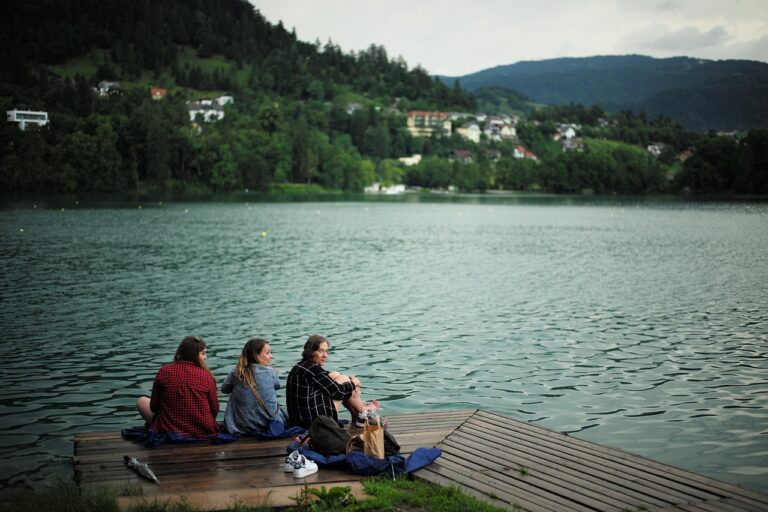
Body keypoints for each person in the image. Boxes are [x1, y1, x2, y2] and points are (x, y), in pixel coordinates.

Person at [136, 336, 219, 438]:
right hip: (203, 430)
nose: (206, 357)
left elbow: (154, 407)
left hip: (169, 429)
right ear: (193, 355)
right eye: (203, 353)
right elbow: (214, 409)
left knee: (141, 401)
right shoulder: (206, 376)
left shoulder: (164, 370)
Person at [286, 334, 369, 428]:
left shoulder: (300, 366)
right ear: (311, 352)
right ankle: (362, 411)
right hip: (315, 424)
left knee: (335, 375)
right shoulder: (315, 371)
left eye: (326, 351)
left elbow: (326, 377)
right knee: (344, 380)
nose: (325, 355)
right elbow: (339, 392)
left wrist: (352, 382)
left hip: (298, 420)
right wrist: (354, 383)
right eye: (321, 351)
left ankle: (358, 415)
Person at [221, 337, 288, 435]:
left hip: (243, 426)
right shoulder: (271, 372)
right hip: (268, 425)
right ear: (256, 356)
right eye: (267, 353)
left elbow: (224, 389)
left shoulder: (236, 372)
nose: (271, 356)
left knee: (234, 393)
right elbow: (277, 386)